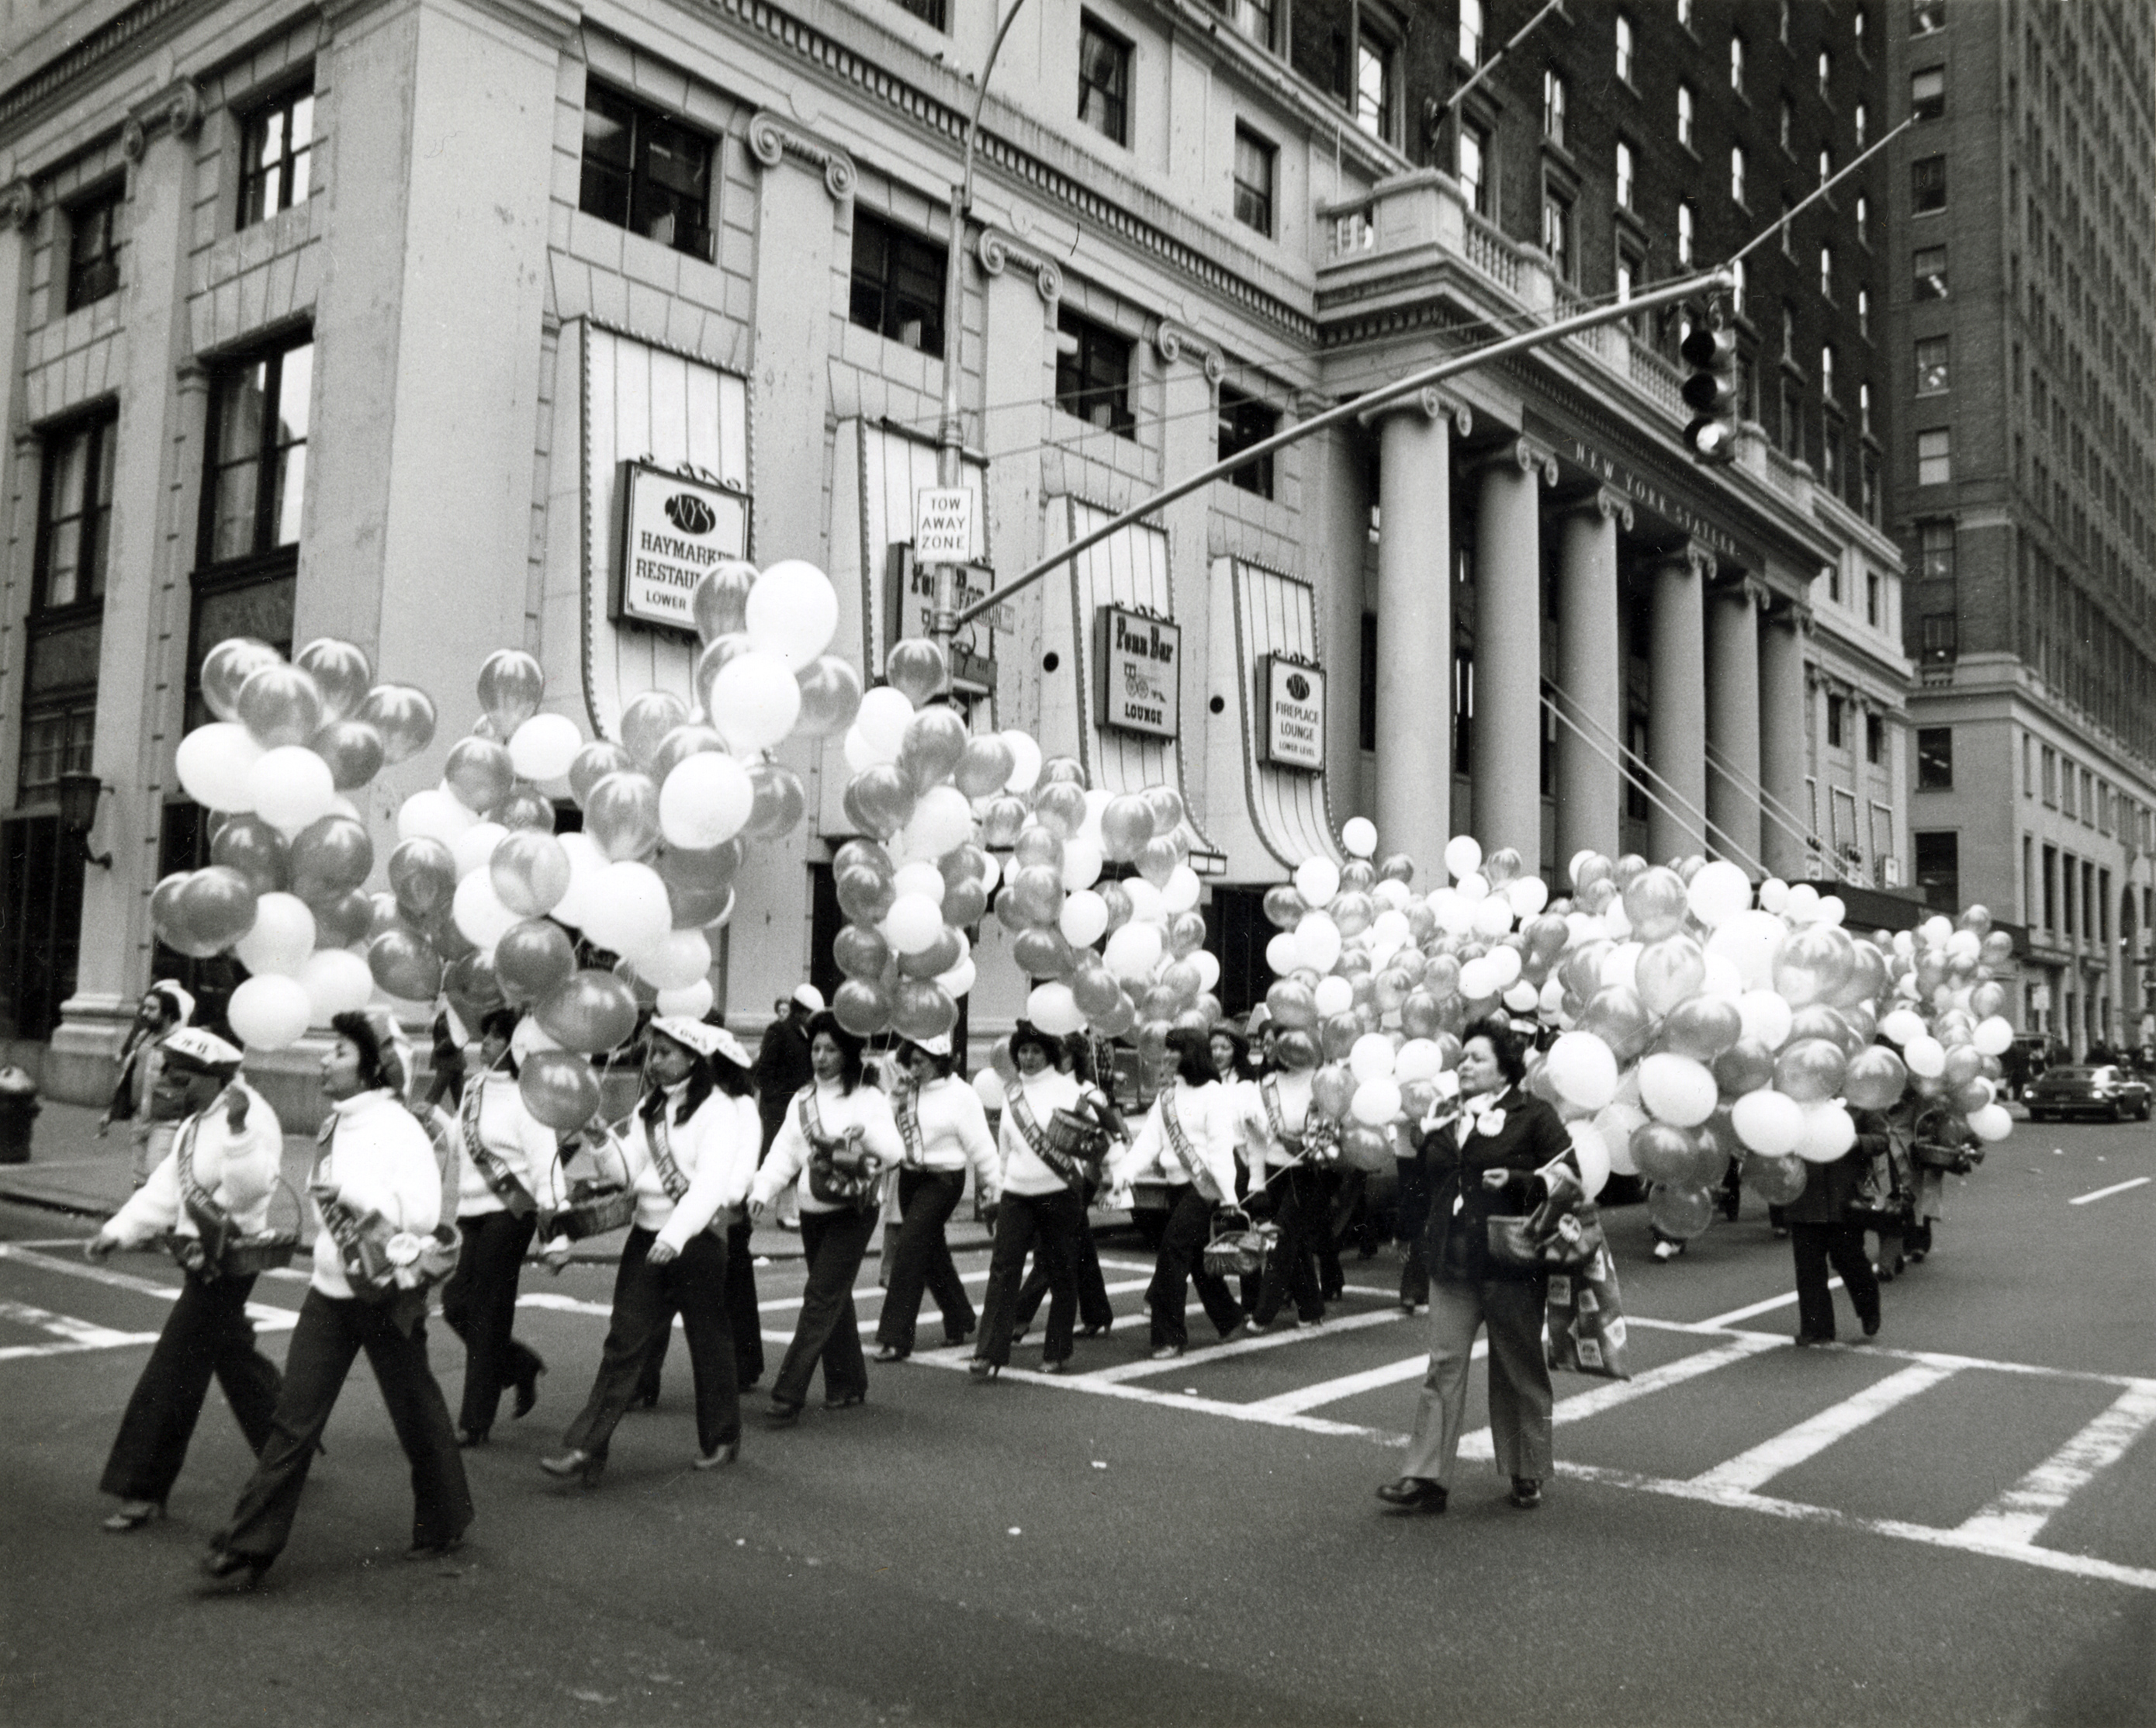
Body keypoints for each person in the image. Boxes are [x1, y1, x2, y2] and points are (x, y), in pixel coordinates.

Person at [200, 1011, 470, 1590]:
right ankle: (248, 1546)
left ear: (373, 1065)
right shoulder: (331, 1127)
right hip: (330, 1291)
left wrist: (352, 1191)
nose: (326, 1058)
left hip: (384, 1293)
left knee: (415, 1410)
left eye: (341, 1050)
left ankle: (445, 1517)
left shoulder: (400, 1127)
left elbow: (420, 1213)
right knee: (293, 1421)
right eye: (330, 1049)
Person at [541, 1019, 760, 1486]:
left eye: (663, 1052)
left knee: (709, 1341)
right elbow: (628, 1171)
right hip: (647, 1238)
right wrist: (603, 1143)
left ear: (692, 1058)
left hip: (695, 1242)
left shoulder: (719, 1112)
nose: (653, 1060)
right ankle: (586, 1449)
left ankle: (722, 1438)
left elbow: (710, 1184)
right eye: (651, 1052)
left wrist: (675, 1236)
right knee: (624, 1342)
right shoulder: (651, 1107)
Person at [88, 1028, 285, 1532]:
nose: (170, 1085)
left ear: (212, 1077)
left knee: (173, 1368)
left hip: (228, 1259)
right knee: (231, 1351)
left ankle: (143, 1488)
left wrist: (239, 1133)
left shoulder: (249, 1114)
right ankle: (288, 1443)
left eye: (181, 1077)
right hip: (199, 1252)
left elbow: (248, 1193)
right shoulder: (197, 1119)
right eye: (168, 1073)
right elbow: (167, 1186)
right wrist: (118, 1231)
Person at [1378, 1016, 1576, 1516]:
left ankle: (1526, 1468)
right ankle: (1425, 1479)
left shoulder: (1534, 1114)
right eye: (1462, 1058)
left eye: (1477, 1058)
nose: (1464, 1065)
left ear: (1504, 1067)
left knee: (1517, 1367)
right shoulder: (1447, 1112)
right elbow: (1425, 1178)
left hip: (1512, 1262)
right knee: (1443, 1366)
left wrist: (1518, 1178)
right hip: (1452, 1260)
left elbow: (1571, 1180)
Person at [749, 1013, 902, 1423]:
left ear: (848, 1052)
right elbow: (783, 1153)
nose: (820, 1057)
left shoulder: (869, 1098)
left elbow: (894, 1152)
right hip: (813, 1208)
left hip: (854, 1211)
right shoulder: (801, 1100)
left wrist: (864, 1133)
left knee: (819, 1297)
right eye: (815, 1048)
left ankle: (787, 1395)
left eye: (830, 1049)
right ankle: (849, 1383)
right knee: (832, 1295)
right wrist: (762, 1190)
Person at [971, 1022, 1119, 1378]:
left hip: (1059, 1193)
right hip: (1016, 1195)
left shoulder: (1073, 1092)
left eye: (1037, 1051)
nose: (1029, 1058)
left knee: (1061, 1269)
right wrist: (997, 1188)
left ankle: (1057, 1351)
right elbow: (1005, 1148)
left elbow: (1108, 1139)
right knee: (1003, 1269)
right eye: (1023, 1051)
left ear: (1051, 1054)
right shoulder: (1012, 1093)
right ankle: (990, 1352)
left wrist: (1112, 1174)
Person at [439, 1007, 555, 1446]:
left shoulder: (530, 1098)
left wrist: (553, 1225)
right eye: (484, 1034)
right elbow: (455, 1138)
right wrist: (425, 1119)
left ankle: (475, 1421)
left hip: (512, 1212)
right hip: (472, 1210)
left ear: (515, 1045)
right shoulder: (474, 1086)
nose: (483, 1043)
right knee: (455, 1304)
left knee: (488, 1310)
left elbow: (544, 1164)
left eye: (493, 1036)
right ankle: (518, 1364)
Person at [1105, 1027, 1244, 1362]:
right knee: (1195, 1259)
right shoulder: (1167, 1097)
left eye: (1174, 1050)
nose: (1166, 1056)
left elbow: (1220, 1149)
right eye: (1166, 1050)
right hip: (1177, 1187)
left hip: (1206, 1189)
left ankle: (1169, 1337)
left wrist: (1228, 1198)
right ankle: (1229, 1317)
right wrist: (1123, 1174)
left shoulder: (1215, 1094)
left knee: (1171, 1254)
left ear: (1192, 1054)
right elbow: (1147, 1145)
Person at [875, 1034, 998, 1361]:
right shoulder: (906, 1091)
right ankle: (959, 1317)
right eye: (910, 1062)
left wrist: (994, 1187)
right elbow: (881, 1129)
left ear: (939, 1060)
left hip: (944, 1180)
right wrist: (894, 1098)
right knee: (931, 1252)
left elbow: (982, 1147)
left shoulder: (962, 1095)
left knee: (910, 1245)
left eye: (920, 1062)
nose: (913, 1069)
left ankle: (895, 1336)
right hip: (911, 1176)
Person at [1008, 1032, 1121, 1346]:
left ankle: (1019, 1316)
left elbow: (1114, 1133)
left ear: (1073, 1058)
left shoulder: (1085, 1090)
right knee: (1079, 1243)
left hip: (1077, 1178)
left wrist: (1089, 1113)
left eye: (1063, 1054)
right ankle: (1098, 1314)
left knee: (1049, 1249)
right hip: (1044, 1178)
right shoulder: (1036, 1088)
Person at [1234, 1043, 1335, 1331]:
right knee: (1295, 1240)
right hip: (1274, 1168)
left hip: (1306, 1170)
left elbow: (1329, 1124)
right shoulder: (1265, 1084)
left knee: (1282, 1237)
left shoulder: (1320, 1081)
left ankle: (1264, 1312)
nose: (1276, 1050)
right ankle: (1311, 1308)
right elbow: (1256, 1131)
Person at [1783, 1110, 1884, 1347]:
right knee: (1809, 1267)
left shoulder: (1857, 1096)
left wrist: (1857, 1141)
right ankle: (1816, 1328)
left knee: (1849, 1260)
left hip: (1845, 1199)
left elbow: (1881, 1139)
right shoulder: (1797, 1099)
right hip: (1805, 1196)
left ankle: (1869, 1309)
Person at [100, 982, 194, 1189]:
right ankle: (142, 1217)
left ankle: (160, 1219)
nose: (145, 1012)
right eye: (145, 1007)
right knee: (138, 1178)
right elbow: (128, 1077)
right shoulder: (143, 1037)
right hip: (139, 1118)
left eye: (152, 1009)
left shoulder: (182, 1042)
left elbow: (191, 1083)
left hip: (165, 1122)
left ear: (169, 1014)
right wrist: (112, 1112)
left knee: (157, 1177)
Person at [754, 987, 822, 1158]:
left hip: (800, 1108)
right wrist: (776, 1101)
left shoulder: (808, 1034)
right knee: (775, 1155)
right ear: (801, 1012)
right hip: (778, 1110)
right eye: (811, 1014)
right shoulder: (778, 1031)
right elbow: (764, 1071)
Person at [424, 999, 470, 1110]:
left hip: (448, 1062)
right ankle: (464, 1120)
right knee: (460, 1099)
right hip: (454, 1062)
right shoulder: (445, 1014)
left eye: (435, 1000)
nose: (432, 1004)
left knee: (433, 1096)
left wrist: (438, 1049)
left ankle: (423, 1118)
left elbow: (455, 1038)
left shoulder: (451, 1016)